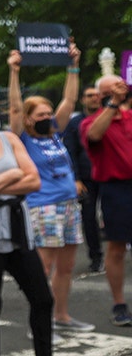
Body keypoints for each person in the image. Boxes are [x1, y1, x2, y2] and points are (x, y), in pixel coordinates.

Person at [0, 89, 89, 356]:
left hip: (19, 232)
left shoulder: (9, 139)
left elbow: (34, 180)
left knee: (42, 299)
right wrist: (12, 176)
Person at [6, 45, 94, 334]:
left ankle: (61, 317)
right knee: (42, 269)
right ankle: (40, 322)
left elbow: (69, 99)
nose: (47, 117)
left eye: (48, 112)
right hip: (43, 207)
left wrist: (73, 65)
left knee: (67, 268)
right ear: (30, 119)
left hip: (69, 205)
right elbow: (16, 107)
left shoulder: (55, 134)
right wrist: (14, 71)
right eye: (41, 114)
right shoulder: (24, 139)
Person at [81, 74, 132, 326]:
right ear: (102, 95)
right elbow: (95, 136)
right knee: (117, 248)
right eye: (112, 88)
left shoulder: (130, 118)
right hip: (116, 189)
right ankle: (119, 303)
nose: (119, 90)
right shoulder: (91, 122)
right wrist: (112, 104)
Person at [62, 84, 103, 272]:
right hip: (86, 177)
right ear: (83, 99)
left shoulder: (108, 116)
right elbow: (70, 151)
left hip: (108, 175)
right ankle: (96, 256)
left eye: (97, 95)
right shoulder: (75, 123)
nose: (94, 98)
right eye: (89, 95)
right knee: (88, 217)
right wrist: (76, 179)